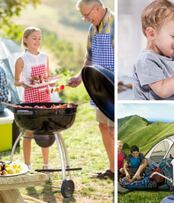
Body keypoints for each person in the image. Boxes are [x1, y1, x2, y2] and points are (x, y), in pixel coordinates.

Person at [67, 0, 115, 179]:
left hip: (116, 88)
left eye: (87, 15)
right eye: (83, 16)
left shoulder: (116, 25)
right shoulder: (93, 29)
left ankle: (125, 171)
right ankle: (112, 170)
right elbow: (89, 57)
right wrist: (80, 77)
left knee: (114, 129)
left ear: (97, 8)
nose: (85, 19)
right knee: (103, 126)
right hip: (100, 89)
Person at [14, 26, 54, 169]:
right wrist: (24, 83)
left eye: (39, 38)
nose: (37, 41)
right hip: (30, 97)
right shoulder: (21, 59)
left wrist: (52, 79)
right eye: (34, 38)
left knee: (45, 130)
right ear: (25, 40)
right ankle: (27, 164)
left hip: (44, 96)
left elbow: (47, 76)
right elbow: (16, 81)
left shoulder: (45, 57)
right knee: (29, 132)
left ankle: (46, 164)